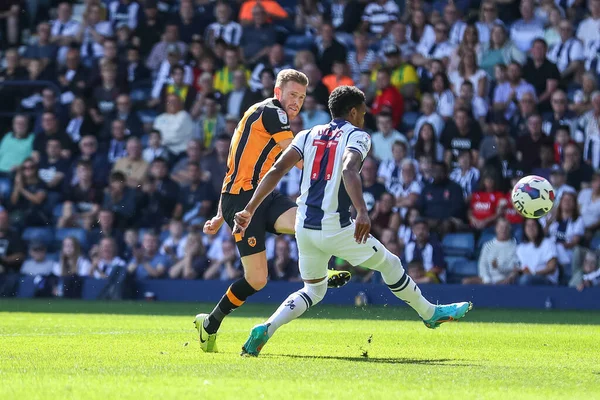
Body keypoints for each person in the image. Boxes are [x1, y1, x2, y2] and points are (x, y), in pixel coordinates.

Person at [231, 86, 471, 357]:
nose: (365, 116)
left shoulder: (307, 134)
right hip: (335, 227)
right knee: (390, 263)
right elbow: (348, 168)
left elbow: (276, 170)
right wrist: (362, 211)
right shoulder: (358, 136)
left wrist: (250, 208)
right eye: (364, 111)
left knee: (314, 289)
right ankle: (430, 313)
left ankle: (266, 327)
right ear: (354, 111)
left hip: (304, 228)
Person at [196, 70, 351, 352]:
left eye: (302, 97)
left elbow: (235, 166)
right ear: (278, 92)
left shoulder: (258, 112)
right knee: (257, 279)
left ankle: (320, 274)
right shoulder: (274, 113)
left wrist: (219, 214)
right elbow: (295, 157)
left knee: (308, 222)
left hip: (261, 195)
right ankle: (210, 323)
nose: (296, 102)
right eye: (292, 94)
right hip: (243, 203)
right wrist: (336, 171)